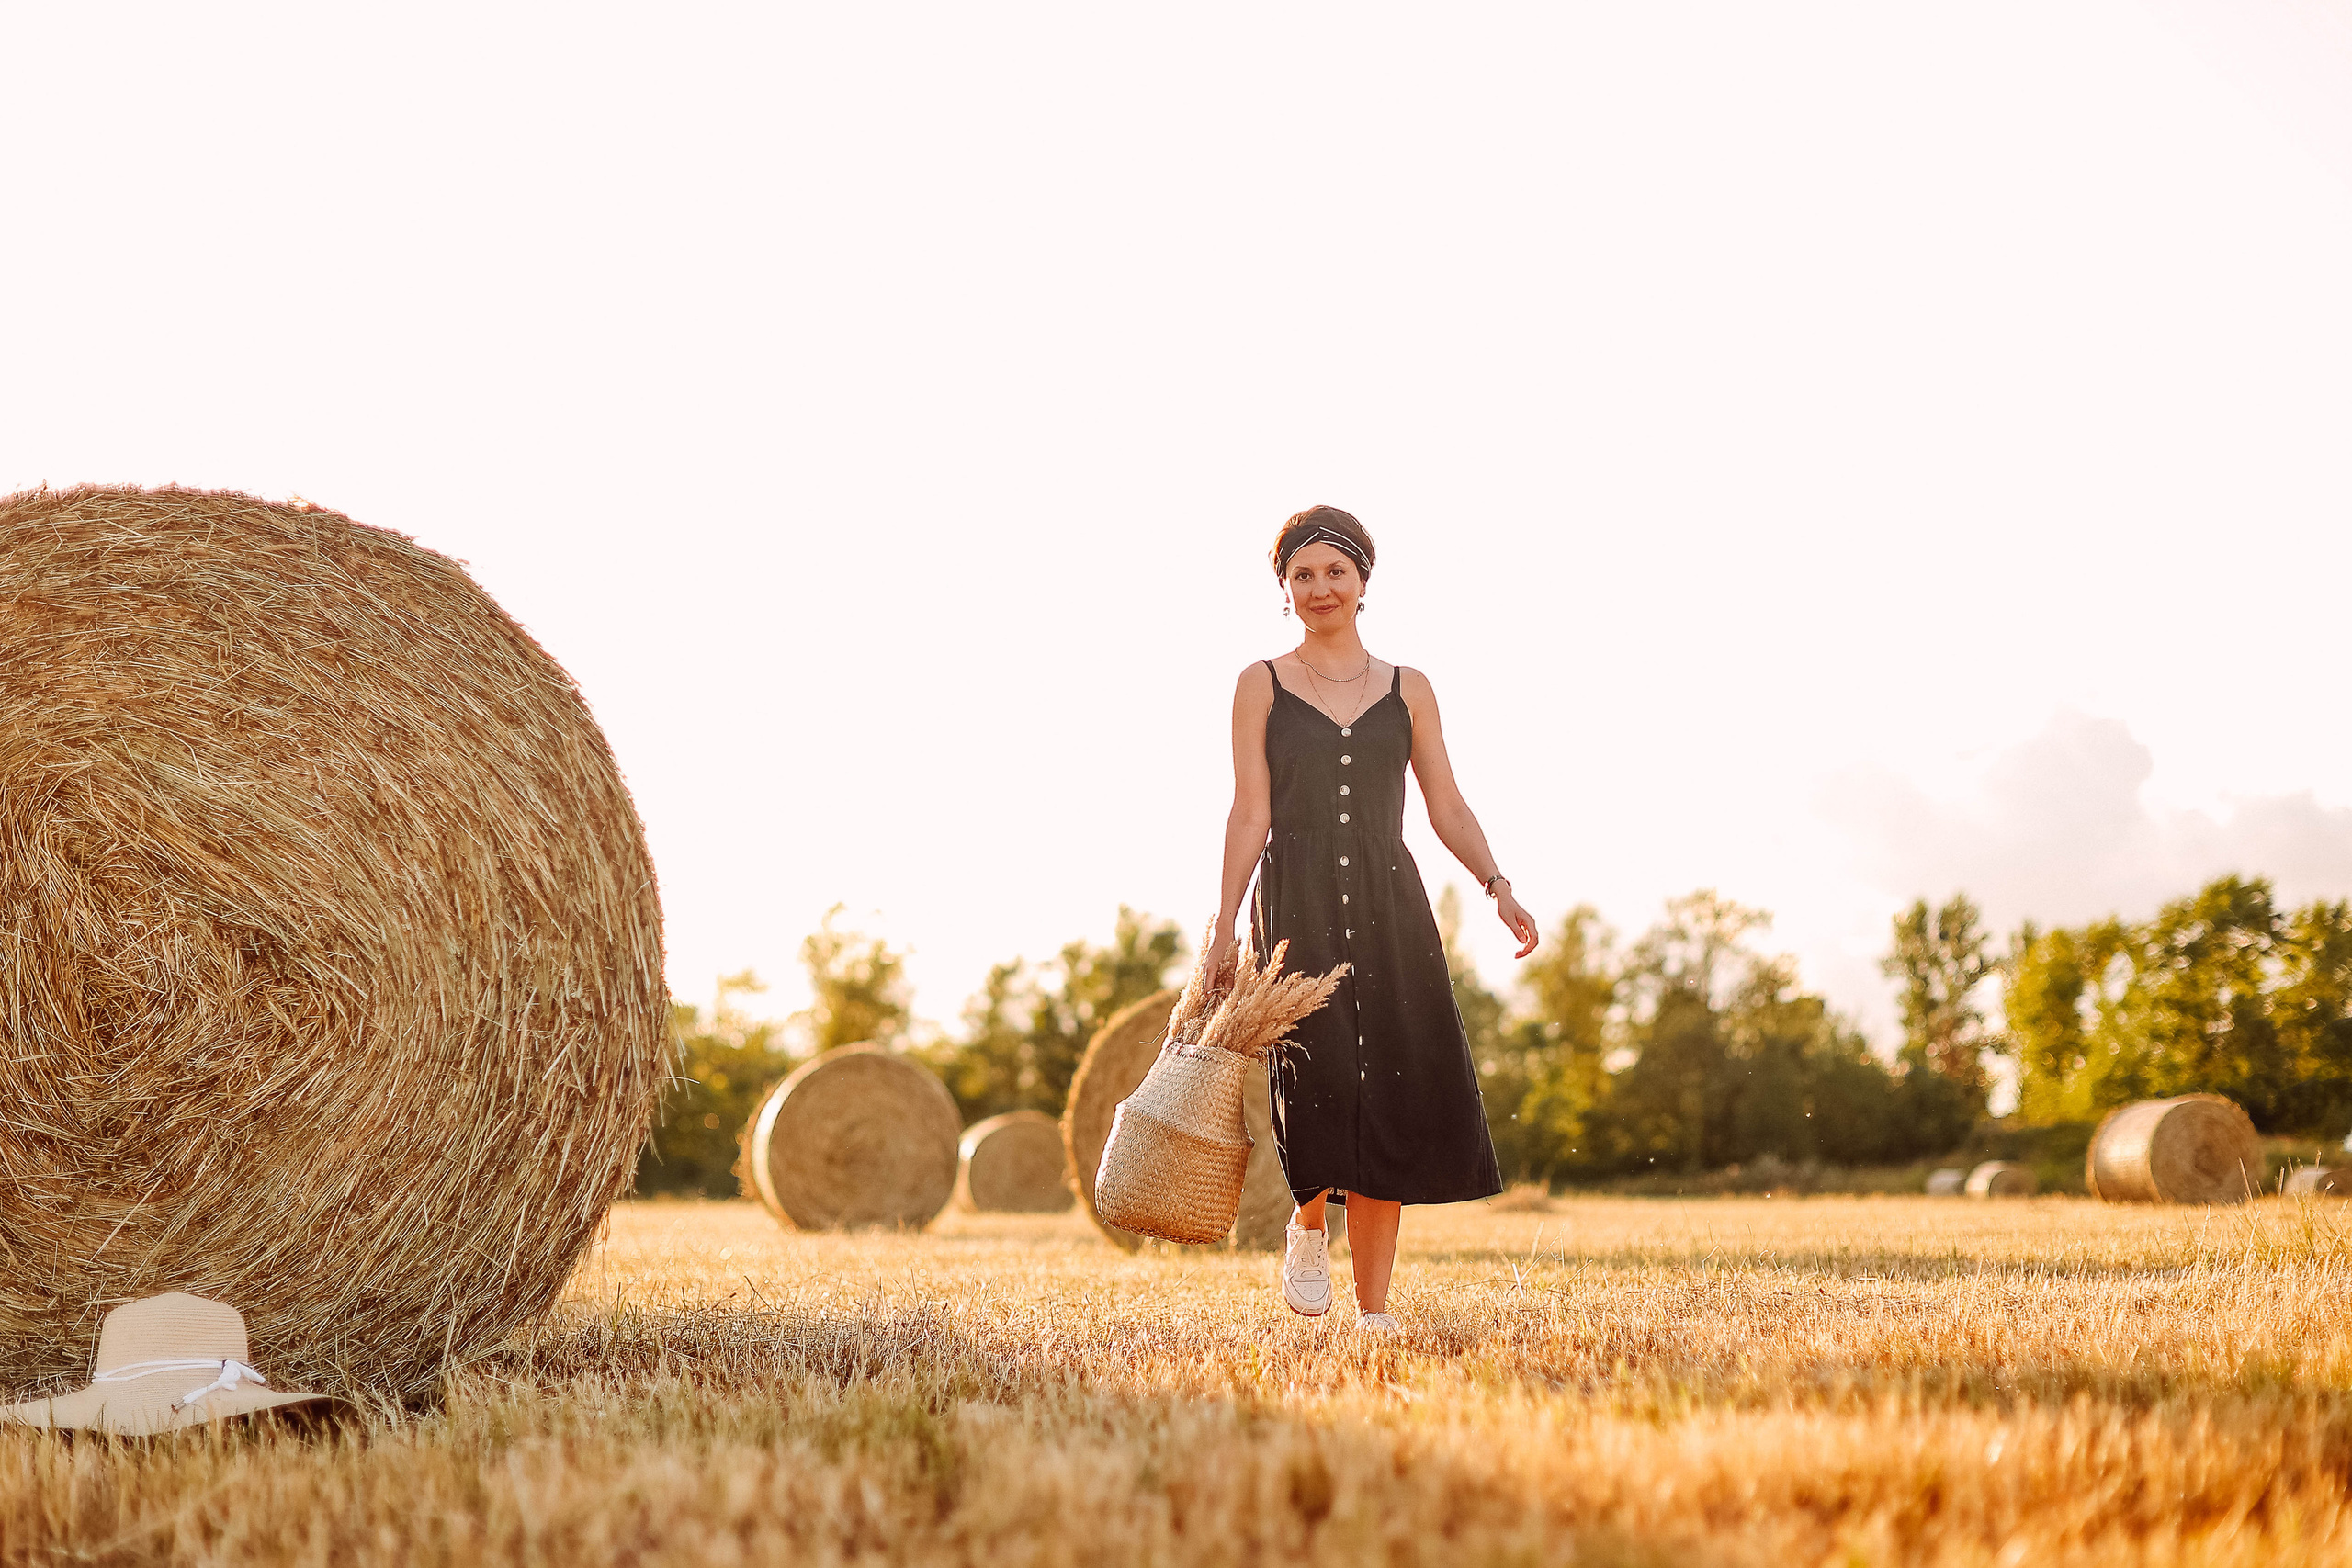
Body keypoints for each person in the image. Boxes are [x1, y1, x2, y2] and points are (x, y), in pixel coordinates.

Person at [1213, 505, 1537, 1335]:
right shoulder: (1262, 682)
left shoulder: (1409, 686)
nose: (1321, 587)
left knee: (1389, 1086)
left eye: (1335, 571)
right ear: (1285, 591)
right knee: (1314, 1080)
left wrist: (1497, 883)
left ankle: (1375, 1312)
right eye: (1303, 575)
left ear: (1363, 581)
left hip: (1392, 902)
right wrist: (1222, 924)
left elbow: (1447, 803)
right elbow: (1250, 812)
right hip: (1297, 902)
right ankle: (1306, 1221)